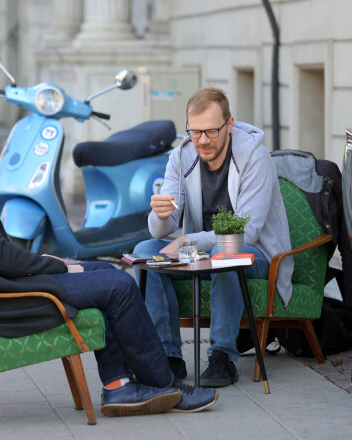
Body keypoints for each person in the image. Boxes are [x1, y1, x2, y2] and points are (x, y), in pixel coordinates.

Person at [0, 101, 217, 417]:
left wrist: (52, 263)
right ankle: (163, 385)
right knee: (118, 283)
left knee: (103, 269)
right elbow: (1, 258)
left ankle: (119, 385)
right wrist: (59, 265)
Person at [133, 87, 294, 387]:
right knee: (145, 251)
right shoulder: (180, 157)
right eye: (195, 132)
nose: (203, 141)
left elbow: (249, 229)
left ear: (229, 125)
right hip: (201, 253)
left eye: (211, 131)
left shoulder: (255, 157)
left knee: (227, 253)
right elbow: (160, 232)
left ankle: (222, 356)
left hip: (257, 254)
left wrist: (189, 242)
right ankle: (168, 356)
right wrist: (160, 215)